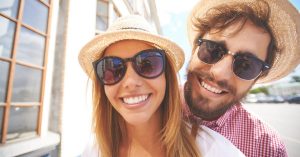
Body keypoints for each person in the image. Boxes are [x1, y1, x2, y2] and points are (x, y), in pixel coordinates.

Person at [78, 15, 245, 157]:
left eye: (147, 64)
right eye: (113, 68)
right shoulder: (92, 151)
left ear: (167, 76)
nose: (130, 82)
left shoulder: (216, 151)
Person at [184, 0, 300, 157]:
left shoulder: (267, 149)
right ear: (194, 50)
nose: (220, 73)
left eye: (246, 65)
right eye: (212, 49)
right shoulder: (147, 109)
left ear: (259, 76)